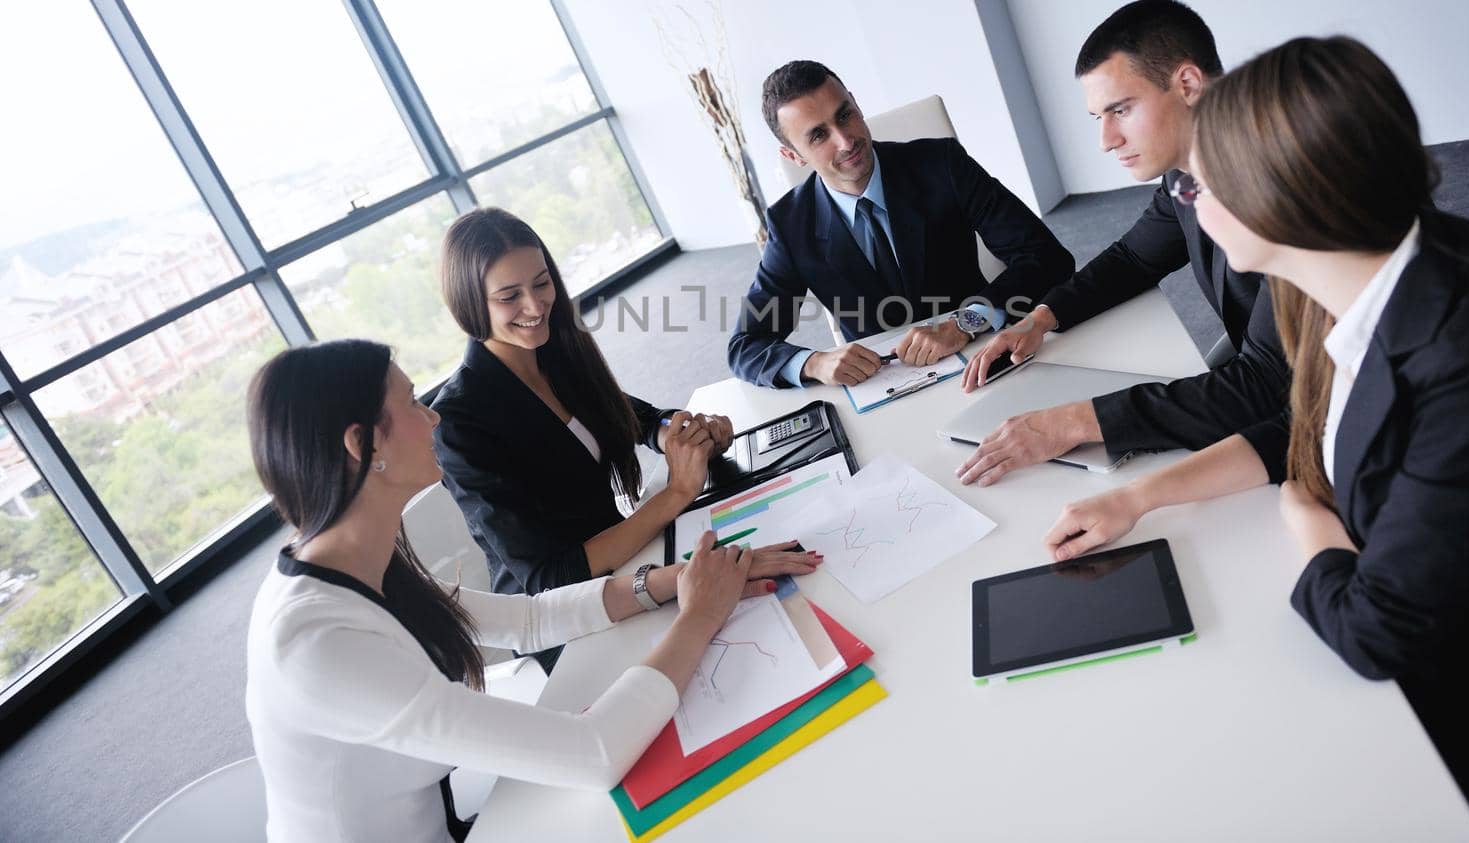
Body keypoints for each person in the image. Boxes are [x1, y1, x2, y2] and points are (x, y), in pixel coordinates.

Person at [1036, 36, 1469, 841]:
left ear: (1281, 196)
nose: (1188, 201)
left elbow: (1377, 633)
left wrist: (1308, 521)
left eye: (1207, 183)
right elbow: (1305, 429)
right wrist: (1138, 495)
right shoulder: (1335, 279)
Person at [244, 340, 822, 843]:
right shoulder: (318, 643)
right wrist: (699, 616)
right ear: (361, 444)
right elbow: (593, 753)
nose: (434, 419)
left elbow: (526, 621)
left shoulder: (356, 559)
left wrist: (683, 579)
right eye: (415, 402)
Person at [431, 209, 804, 667]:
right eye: (510, 296)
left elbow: (633, 416)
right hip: (568, 622)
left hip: (630, 560)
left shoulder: (552, 348)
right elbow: (551, 576)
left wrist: (681, 434)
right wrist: (677, 492)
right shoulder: (459, 421)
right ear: (471, 305)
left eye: (542, 283)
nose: (535, 306)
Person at [957, 0, 1289, 487]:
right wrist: (1041, 319)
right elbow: (1135, 255)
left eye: (1121, 110)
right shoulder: (1187, 173)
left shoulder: (1286, 185)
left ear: (1188, 85)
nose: (1107, 140)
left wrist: (1071, 423)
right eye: (1099, 117)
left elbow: (1262, 388)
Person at [728, 59, 1074, 388]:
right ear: (793, 155)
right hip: (882, 384)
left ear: (857, 105)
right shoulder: (789, 224)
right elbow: (746, 344)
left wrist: (965, 322)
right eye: (819, 135)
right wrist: (814, 363)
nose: (846, 141)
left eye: (845, 115)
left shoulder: (943, 164)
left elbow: (1046, 257)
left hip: (981, 355)